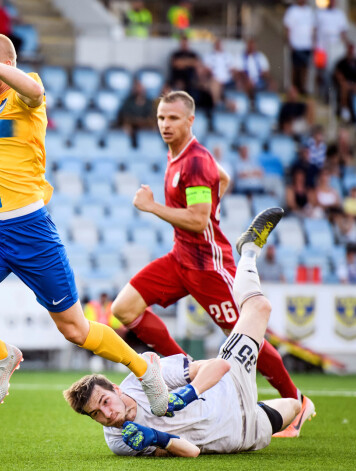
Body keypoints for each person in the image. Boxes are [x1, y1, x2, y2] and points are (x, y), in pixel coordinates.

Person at [0, 16, 170, 413]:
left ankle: (143, 368)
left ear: (2, 68)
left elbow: (30, 85)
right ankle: (2, 354)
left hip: (31, 232)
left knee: (75, 330)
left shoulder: (26, 100)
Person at [109, 91, 308, 434]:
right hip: (180, 258)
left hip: (207, 265)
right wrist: (211, 202)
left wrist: (152, 206)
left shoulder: (195, 161)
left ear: (190, 120)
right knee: (124, 308)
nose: (165, 125)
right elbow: (224, 179)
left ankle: (298, 402)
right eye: (160, 118)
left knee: (244, 338)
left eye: (173, 118)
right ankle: (185, 371)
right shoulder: (180, 155)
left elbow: (200, 222)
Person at [64, 208, 317, 456]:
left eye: (104, 402)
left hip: (231, 386)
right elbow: (192, 452)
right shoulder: (120, 442)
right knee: (294, 407)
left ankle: (248, 251)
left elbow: (219, 367)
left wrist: (184, 396)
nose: (107, 415)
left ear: (117, 389)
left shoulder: (146, 379)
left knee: (260, 307)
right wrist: (158, 439)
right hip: (242, 434)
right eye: (96, 414)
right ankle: (289, 404)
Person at [284, 0, 316, 95]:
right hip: (296, 44)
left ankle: (303, 88)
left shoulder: (309, 11)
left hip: (307, 44)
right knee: (295, 68)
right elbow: (287, 28)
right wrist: (289, 42)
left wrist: (313, 42)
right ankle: (294, 89)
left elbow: (313, 28)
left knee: (305, 68)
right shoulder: (292, 11)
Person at [333, 42, 356, 123]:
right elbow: (337, 73)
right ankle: (344, 109)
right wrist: (342, 81)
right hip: (344, 84)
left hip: (353, 84)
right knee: (344, 88)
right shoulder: (342, 62)